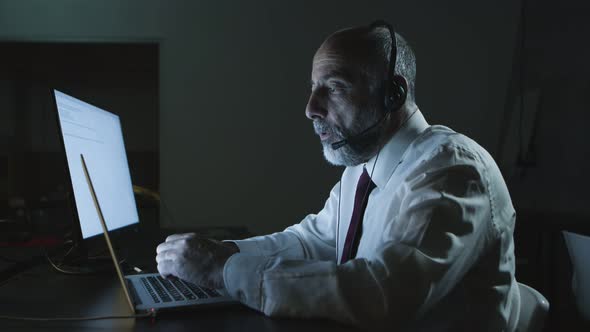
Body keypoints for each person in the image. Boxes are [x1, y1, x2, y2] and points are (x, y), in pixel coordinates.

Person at [156, 21, 520, 331]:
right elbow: (313, 240)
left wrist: (224, 270)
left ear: (393, 94)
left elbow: (382, 293)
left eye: (333, 87)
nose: (311, 108)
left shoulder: (451, 170)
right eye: (313, 88)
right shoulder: (363, 166)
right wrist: (222, 252)